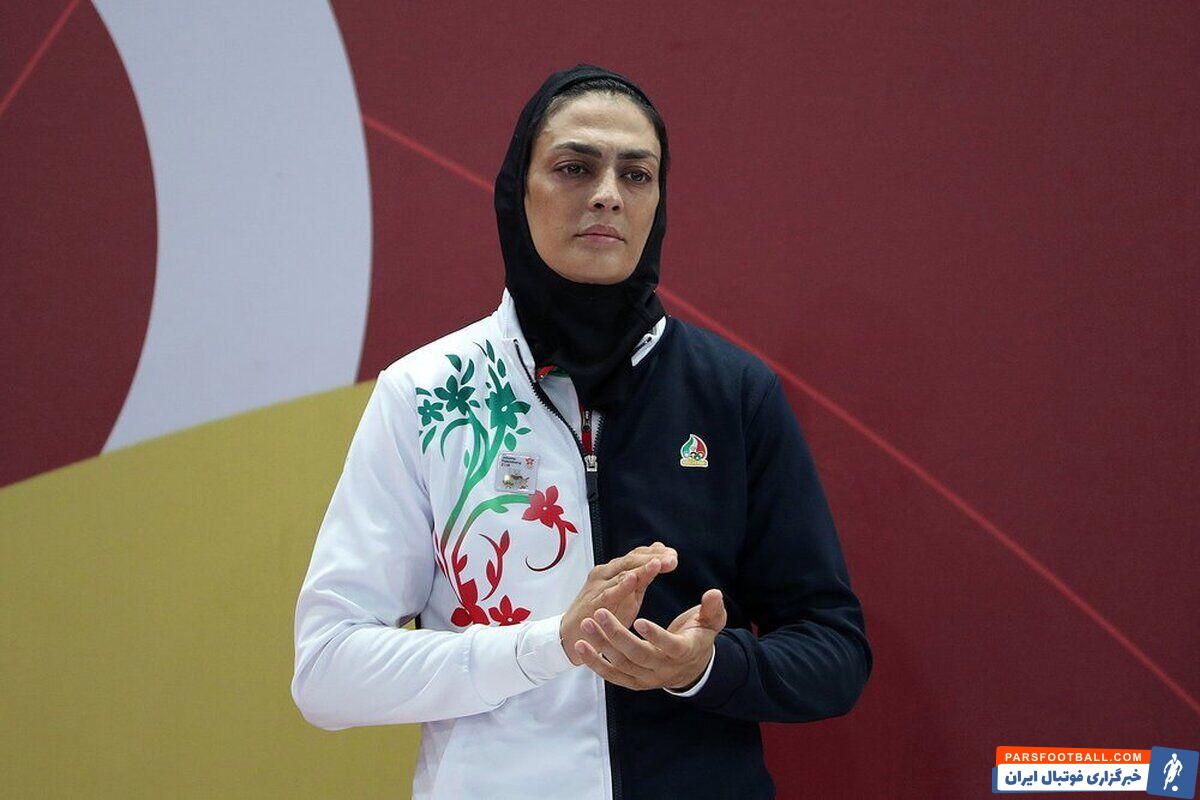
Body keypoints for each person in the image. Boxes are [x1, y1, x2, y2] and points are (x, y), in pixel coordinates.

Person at [290, 63, 872, 800]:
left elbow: (834, 652)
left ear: (658, 203)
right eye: (574, 167)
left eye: (636, 174)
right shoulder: (428, 394)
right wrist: (546, 647)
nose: (607, 194)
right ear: (519, 191)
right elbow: (327, 672)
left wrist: (704, 667)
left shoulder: (733, 394)